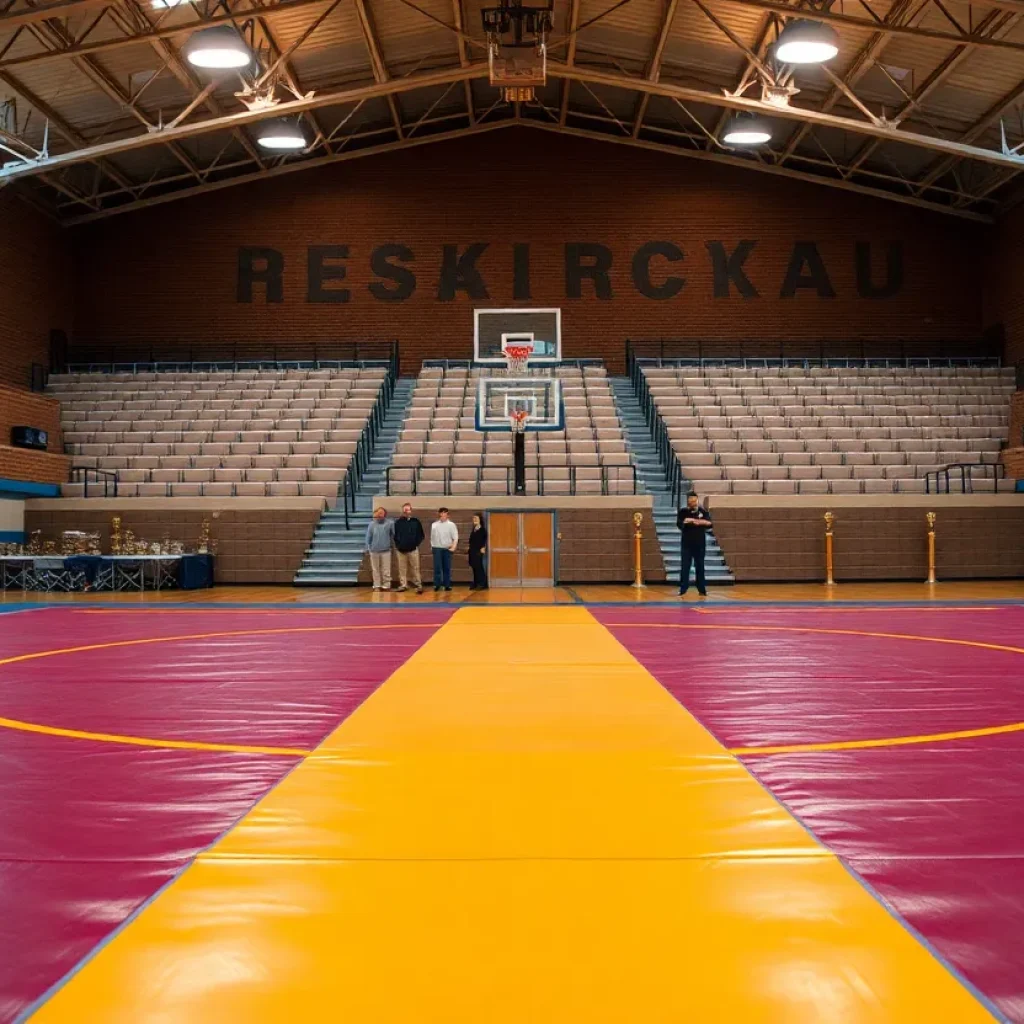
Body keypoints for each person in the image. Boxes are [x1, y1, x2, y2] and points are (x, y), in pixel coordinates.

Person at [677, 491, 712, 598]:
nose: (692, 502)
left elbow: (710, 523)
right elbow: (680, 523)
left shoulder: (703, 511)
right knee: (685, 567)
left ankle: (702, 589)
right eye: (690, 500)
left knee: (700, 566)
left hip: (700, 544)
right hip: (687, 544)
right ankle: (683, 588)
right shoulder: (683, 512)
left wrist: (701, 522)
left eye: (694, 500)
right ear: (687, 501)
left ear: (697, 500)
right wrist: (688, 521)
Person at [393, 502, 425, 594]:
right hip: (401, 550)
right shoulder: (398, 522)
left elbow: (421, 535)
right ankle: (403, 585)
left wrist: (415, 544)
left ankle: (418, 585)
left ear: (411, 510)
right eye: (405, 510)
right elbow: (395, 536)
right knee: (402, 568)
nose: (406, 511)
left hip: (413, 549)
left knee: (415, 568)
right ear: (403, 511)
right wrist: (398, 545)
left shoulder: (416, 522)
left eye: (408, 509)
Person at [364, 506, 395, 591]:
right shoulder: (371, 524)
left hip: (386, 550)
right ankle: (377, 585)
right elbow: (368, 537)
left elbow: (394, 535)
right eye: (378, 512)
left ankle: (386, 585)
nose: (380, 514)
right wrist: (368, 547)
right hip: (374, 551)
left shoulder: (390, 523)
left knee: (386, 569)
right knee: (375, 569)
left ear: (385, 514)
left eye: (382, 513)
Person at [430, 507, 459, 591]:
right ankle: (437, 585)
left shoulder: (451, 525)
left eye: (444, 513)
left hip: (447, 549)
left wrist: (453, 547)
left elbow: (455, 537)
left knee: (447, 567)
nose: (443, 514)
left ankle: (447, 585)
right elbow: (432, 537)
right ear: (439, 514)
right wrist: (432, 546)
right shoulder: (434, 525)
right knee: (437, 567)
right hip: (437, 548)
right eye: (441, 513)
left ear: (447, 514)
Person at [468, 513, 488, 590]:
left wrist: (483, 547)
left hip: (478, 551)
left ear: (480, 519)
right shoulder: (474, 529)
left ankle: (482, 584)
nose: (474, 520)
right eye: (473, 518)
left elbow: (484, 539)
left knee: (479, 567)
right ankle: (476, 583)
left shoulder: (482, 529)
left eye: (476, 518)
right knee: (474, 567)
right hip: (472, 551)